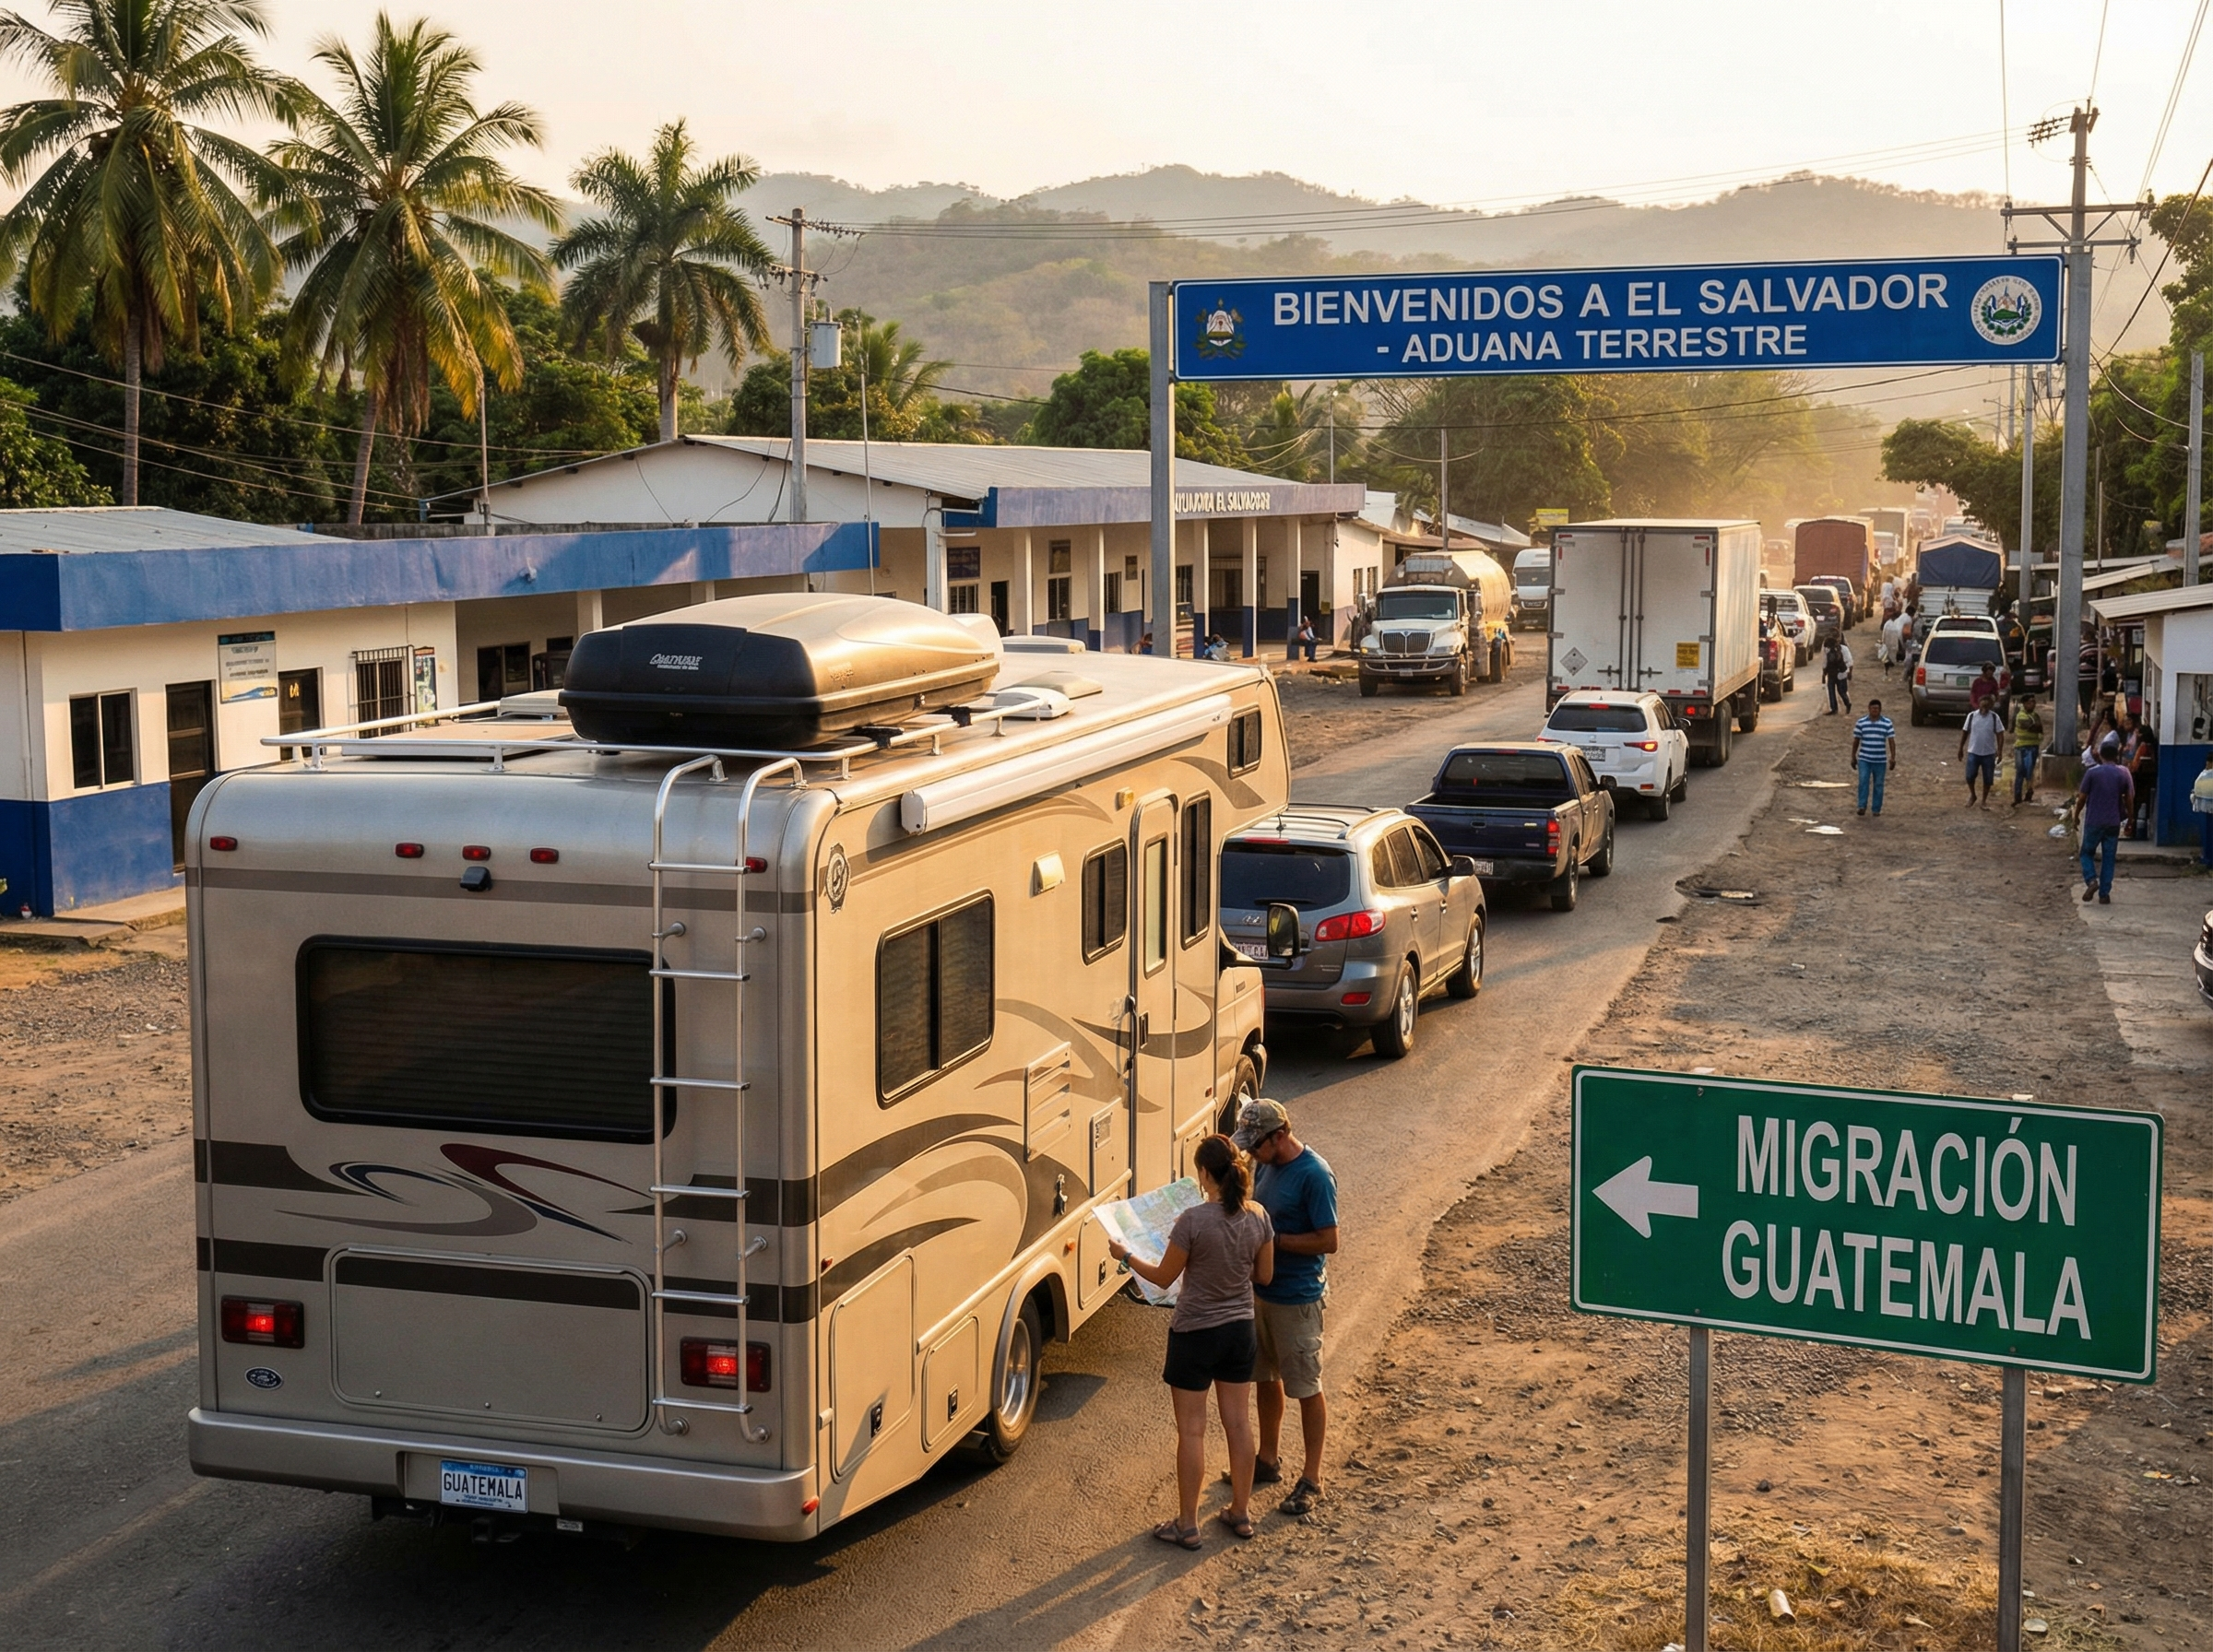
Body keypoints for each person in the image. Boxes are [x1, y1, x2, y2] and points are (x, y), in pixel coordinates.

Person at [1109, 1134, 1275, 1549]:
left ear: (1204, 1174)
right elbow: (1265, 1277)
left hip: (1196, 1333)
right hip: (1239, 1330)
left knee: (1193, 1432)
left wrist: (1125, 1255)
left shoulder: (1192, 1222)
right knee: (1238, 1424)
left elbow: (1164, 1278)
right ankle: (1240, 1511)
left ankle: (1187, 1524)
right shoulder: (1258, 1217)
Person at [1234, 1098, 1339, 1520]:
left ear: (1280, 1136)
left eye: (1256, 1145)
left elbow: (1328, 1240)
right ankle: (1268, 1459)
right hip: (1262, 1293)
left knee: (1306, 1387)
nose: (1252, 1153)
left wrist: (1274, 1242)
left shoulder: (1315, 1174)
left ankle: (1312, 1477)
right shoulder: (1267, 1164)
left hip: (1298, 1299)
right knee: (1266, 1377)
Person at [2077, 735, 2135, 904]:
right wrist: (2130, 819)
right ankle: (2104, 894)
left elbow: (2081, 798)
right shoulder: (2122, 773)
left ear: (2100, 755)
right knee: (2109, 857)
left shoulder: (2092, 773)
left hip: (2094, 821)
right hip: (2113, 822)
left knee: (2086, 853)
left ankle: (2091, 880)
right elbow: (2129, 798)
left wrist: (2075, 817)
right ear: (2116, 756)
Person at [1851, 697, 1898, 816]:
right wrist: (1853, 756)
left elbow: (1891, 741)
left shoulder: (1887, 723)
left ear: (1880, 709)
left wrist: (1893, 757)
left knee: (1878, 784)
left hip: (1880, 760)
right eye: (1873, 708)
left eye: (1877, 708)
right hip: (1864, 759)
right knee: (1863, 781)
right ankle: (1861, 806)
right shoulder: (1861, 723)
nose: (1875, 711)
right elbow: (1856, 740)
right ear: (1869, 709)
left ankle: (1876, 809)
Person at [1960, 696, 2005, 808]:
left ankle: (1984, 800)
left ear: (1991, 706)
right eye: (1983, 705)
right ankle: (1973, 795)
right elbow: (1965, 732)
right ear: (1978, 704)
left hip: (1989, 753)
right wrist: (1960, 748)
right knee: (1969, 776)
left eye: (1987, 705)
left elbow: (2000, 734)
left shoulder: (1994, 718)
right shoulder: (1972, 716)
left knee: (1988, 779)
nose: (1984, 708)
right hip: (1973, 751)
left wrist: (2000, 751)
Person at [2125, 714, 2158, 840]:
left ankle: (2132, 830)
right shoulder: (2149, 747)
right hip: (2144, 782)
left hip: (2140, 782)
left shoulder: (2144, 748)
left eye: (2138, 734)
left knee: (2134, 806)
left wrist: (2129, 768)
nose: (2136, 736)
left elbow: (2138, 767)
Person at [2009, 692, 2044, 808]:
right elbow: (2033, 727)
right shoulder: (2021, 716)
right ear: (2024, 704)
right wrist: (2035, 727)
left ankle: (2028, 793)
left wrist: (2036, 727)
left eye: (2033, 702)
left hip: (2033, 746)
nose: (2032, 704)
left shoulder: (2035, 716)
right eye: (2029, 702)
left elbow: (2038, 728)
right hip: (2021, 746)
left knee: (2029, 771)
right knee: (2020, 771)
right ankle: (2017, 797)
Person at [2192, 751, 2213, 867]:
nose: (2207, 764)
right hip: (2208, 807)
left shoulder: (2205, 775)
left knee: (2209, 834)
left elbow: (2198, 789)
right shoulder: (2205, 774)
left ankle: (2209, 859)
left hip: (2208, 806)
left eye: (2209, 762)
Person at [1823, 636, 1853, 715]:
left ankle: (1834, 709)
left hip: (1832, 673)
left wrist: (1824, 674)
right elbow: (1850, 661)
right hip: (1841, 673)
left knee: (1831, 691)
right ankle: (1847, 703)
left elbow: (1825, 663)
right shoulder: (1843, 649)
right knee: (1841, 691)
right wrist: (1850, 672)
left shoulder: (1827, 651)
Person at [1879, 609, 1905, 677]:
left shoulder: (1888, 623)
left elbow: (1884, 635)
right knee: (1892, 660)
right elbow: (1896, 637)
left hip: (1887, 645)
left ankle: (1886, 672)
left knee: (1887, 660)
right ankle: (1888, 673)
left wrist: (1883, 643)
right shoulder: (1893, 625)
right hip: (1893, 646)